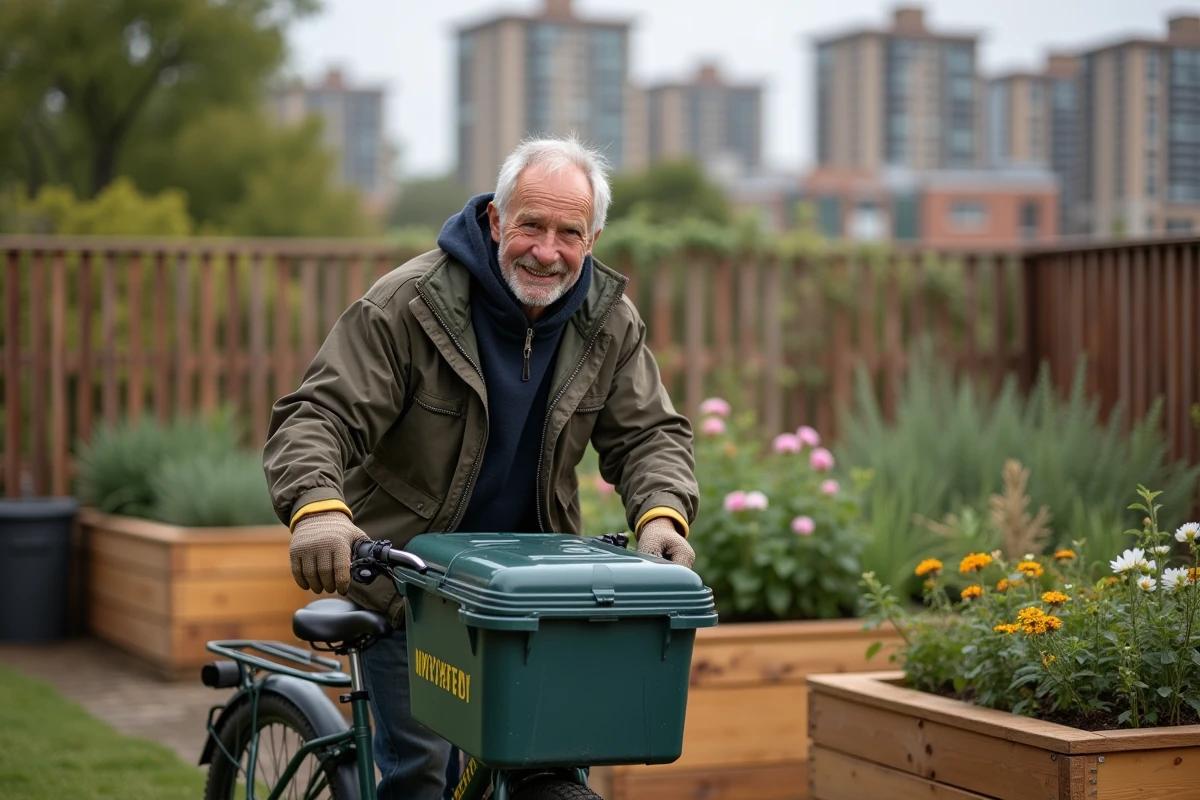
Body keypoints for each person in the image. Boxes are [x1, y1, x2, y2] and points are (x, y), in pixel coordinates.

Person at [262, 135, 698, 800]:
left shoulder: (608, 321)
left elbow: (649, 435)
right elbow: (318, 415)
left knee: (555, 765)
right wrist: (319, 510)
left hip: (534, 600)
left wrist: (662, 514)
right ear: (496, 219)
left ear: (594, 236)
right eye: (531, 225)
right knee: (423, 775)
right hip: (412, 589)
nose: (547, 251)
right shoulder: (408, 305)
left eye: (568, 233)